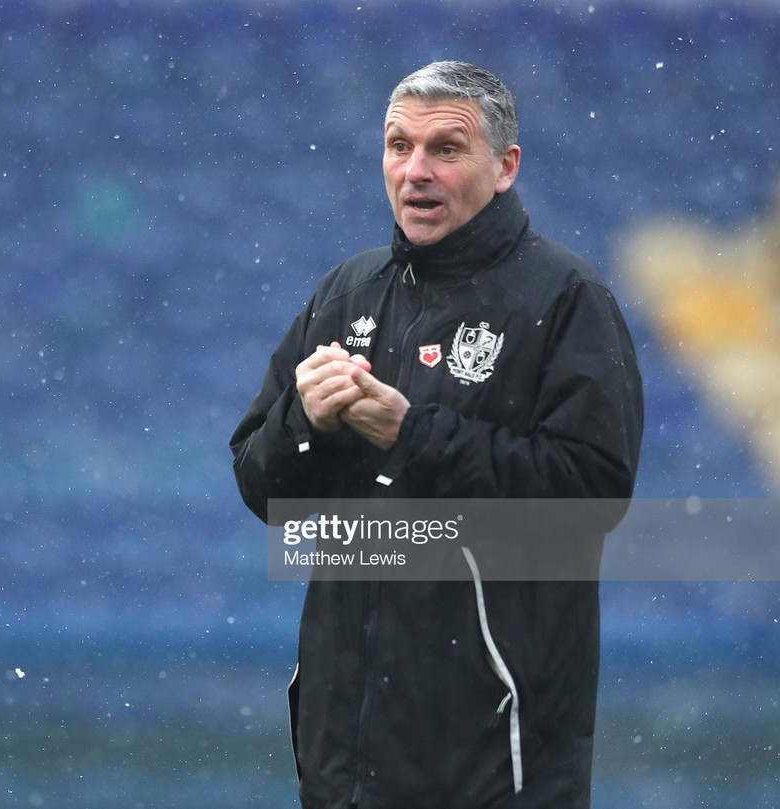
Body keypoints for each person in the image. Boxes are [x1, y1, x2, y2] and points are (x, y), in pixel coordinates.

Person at [229, 62, 643, 808]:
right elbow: (263, 489)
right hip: (345, 755)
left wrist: (411, 432)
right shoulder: (344, 292)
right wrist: (306, 424)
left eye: (445, 149)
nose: (415, 170)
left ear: (505, 166)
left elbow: (592, 493)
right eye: (398, 145)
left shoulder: (566, 297)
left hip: (495, 757)